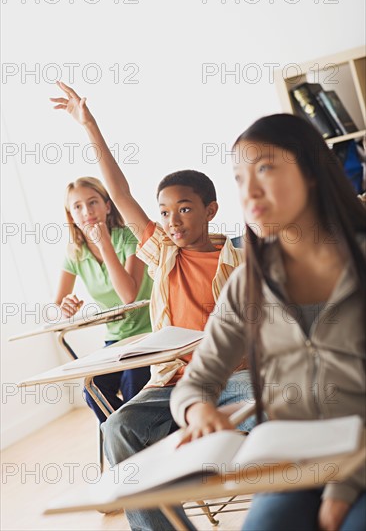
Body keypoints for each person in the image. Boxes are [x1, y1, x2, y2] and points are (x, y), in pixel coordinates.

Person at [50, 81, 254, 530]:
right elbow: (120, 193)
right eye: (164, 212)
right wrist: (90, 126)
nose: (172, 220)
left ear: (210, 210)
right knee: (117, 428)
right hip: (174, 382)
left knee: (281, 407)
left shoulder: (239, 258)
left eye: (184, 209)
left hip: (236, 379)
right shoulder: (162, 253)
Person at [171, 113, 366, 531]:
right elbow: (196, 381)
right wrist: (198, 411)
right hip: (292, 466)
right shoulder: (249, 284)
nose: (250, 190)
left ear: (311, 171)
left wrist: (343, 490)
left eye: (265, 168)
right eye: (239, 177)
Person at [54, 176, 153, 423]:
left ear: (108, 206)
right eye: (77, 206)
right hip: (117, 341)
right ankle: (129, 439)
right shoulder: (75, 253)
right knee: (93, 388)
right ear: (71, 214)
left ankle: (136, 441)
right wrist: (65, 307)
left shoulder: (128, 237)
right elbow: (56, 304)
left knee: (134, 387)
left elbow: (128, 295)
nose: (87, 211)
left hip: (149, 333)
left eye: (93, 202)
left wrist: (105, 244)